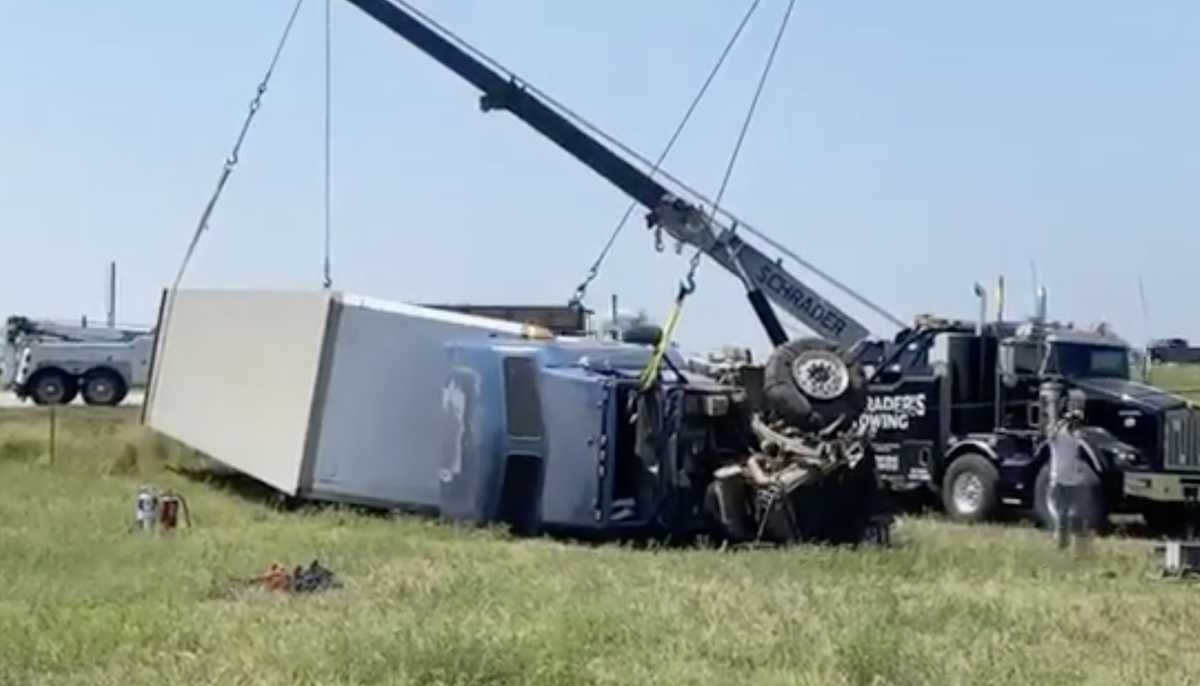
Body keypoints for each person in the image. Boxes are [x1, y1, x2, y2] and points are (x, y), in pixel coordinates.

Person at [1047, 406, 1094, 555]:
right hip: (1059, 480)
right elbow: (1050, 432)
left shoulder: (1077, 436)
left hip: (1076, 481)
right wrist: (1064, 420)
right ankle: (1062, 546)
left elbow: (1083, 436)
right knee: (1062, 516)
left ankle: (1080, 549)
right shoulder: (1058, 436)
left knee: (1078, 515)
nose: (1077, 425)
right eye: (1074, 422)